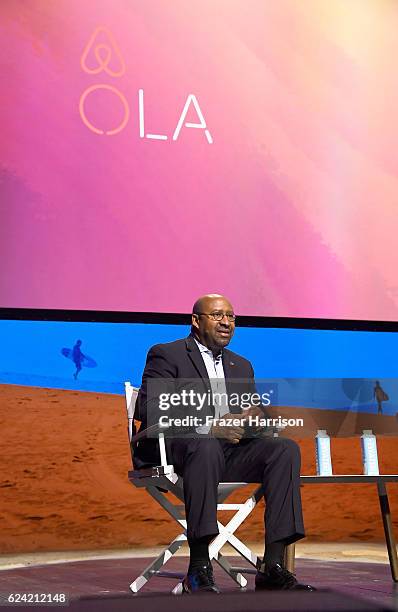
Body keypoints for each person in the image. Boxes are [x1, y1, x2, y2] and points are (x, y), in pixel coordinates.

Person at [136, 294, 314, 594]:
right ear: (196, 321)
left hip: (227, 452)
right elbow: (150, 408)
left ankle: (272, 566)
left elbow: (253, 409)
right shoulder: (168, 354)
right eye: (218, 315)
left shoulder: (241, 365)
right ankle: (199, 567)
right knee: (205, 445)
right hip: (178, 449)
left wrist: (258, 421)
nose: (226, 322)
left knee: (284, 450)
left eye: (231, 317)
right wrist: (211, 426)